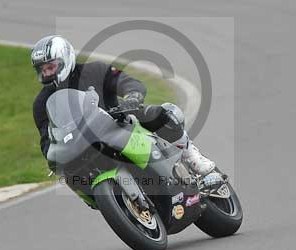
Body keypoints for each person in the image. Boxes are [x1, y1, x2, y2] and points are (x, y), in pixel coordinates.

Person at [30, 34, 217, 180]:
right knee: (69, 174)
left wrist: (132, 96)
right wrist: (51, 155)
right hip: (85, 147)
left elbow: (126, 82)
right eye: (43, 70)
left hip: (119, 124)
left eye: (51, 67)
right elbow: (47, 138)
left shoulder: (94, 70)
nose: (47, 73)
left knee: (159, 113)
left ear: (65, 58)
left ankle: (191, 155)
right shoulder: (41, 104)